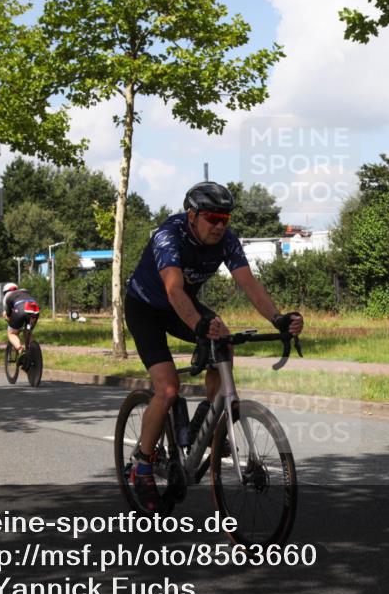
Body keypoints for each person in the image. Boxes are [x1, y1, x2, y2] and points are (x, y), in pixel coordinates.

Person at [124, 181, 304, 511]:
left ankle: (208, 427)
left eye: (226, 219)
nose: (220, 225)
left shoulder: (227, 240)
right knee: (167, 390)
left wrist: (278, 319)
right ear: (192, 215)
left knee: (224, 340)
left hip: (184, 306)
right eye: (212, 218)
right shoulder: (169, 235)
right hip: (147, 307)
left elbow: (249, 283)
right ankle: (142, 464)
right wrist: (199, 325)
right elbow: (174, 290)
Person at [1, 282, 40, 352]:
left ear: (5, 291)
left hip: (21, 311)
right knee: (28, 332)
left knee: (11, 333)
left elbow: (8, 314)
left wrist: (8, 320)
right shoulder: (23, 292)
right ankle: (33, 351)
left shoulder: (7, 296)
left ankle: (20, 349)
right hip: (35, 310)